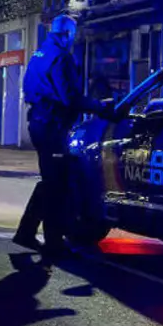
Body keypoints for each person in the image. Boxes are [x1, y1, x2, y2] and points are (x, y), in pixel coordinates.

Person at [14, 14, 102, 257]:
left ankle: (27, 232)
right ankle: (51, 242)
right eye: (73, 35)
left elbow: (28, 88)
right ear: (68, 34)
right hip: (52, 127)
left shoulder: (40, 54)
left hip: (39, 123)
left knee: (52, 181)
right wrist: (99, 107)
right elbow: (70, 98)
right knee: (58, 185)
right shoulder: (62, 58)